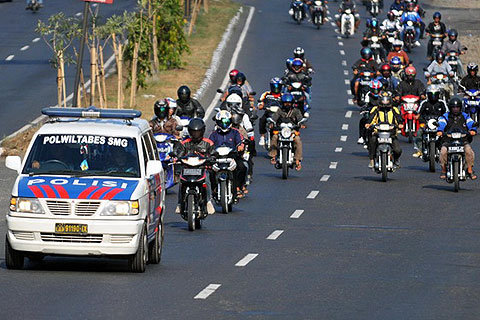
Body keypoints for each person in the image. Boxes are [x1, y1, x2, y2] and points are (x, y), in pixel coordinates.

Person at [175, 118, 215, 214]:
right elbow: (179, 153)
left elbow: (213, 153)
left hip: (202, 168)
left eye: (198, 132)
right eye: (193, 132)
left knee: (208, 179)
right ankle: (180, 203)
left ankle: (208, 201)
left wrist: (212, 158)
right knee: (182, 182)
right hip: (187, 169)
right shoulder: (184, 143)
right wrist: (177, 157)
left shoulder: (208, 143)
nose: (195, 134)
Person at [209, 110, 248, 198]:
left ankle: (238, 186)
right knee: (210, 171)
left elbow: (240, 141)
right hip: (217, 157)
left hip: (232, 156)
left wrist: (240, 146)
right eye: (222, 122)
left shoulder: (235, 132)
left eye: (226, 122)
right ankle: (214, 188)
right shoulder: (214, 134)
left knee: (242, 167)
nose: (224, 124)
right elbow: (209, 144)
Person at [437, 97, 477, 179]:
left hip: (462, 140)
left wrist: (473, 129)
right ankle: (444, 170)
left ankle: (469, 170)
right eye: (453, 107)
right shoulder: (445, 116)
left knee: (469, 151)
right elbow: (441, 122)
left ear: (460, 107)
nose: (455, 109)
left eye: (457, 107)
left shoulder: (465, 116)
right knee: (443, 152)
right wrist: (440, 130)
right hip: (448, 140)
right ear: (450, 108)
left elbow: (470, 122)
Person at [365, 94, 403, 168]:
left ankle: (396, 160)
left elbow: (398, 118)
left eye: (387, 101)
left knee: (398, 150)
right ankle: (372, 160)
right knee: (372, 141)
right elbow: (371, 118)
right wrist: (369, 124)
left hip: (391, 133)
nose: (385, 104)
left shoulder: (394, 109)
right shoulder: (376, 109)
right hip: (378, 133)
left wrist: (400, 124)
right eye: (383, 101)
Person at [268, 93, 304, 170]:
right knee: (274, 137)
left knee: (297, 140)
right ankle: (273, 156)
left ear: (292, 103)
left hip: (292, 130)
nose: (287, 104)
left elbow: (300, 120)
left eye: (289, 103)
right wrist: (271, 123)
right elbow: (274, 119)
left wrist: (301, 124)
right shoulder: (279, 110)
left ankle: (297, 160)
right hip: (281, 130)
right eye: (285, 103)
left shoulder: (296, 111)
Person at [412, 85, 447, 157]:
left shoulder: (442, 103)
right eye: (431, 94)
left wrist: (444, 121)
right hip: (427, 123)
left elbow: (447, 113)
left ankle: (446, 150)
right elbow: (419, 113)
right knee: (419, 133)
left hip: (439, 123)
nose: (433, 96)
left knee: (447, 134)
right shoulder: (424, 103)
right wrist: (419, 119)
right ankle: (420, 150)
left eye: (435, 94)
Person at [258, 77, 283, 146]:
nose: (276, 88)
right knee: (262, 120)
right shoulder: (266, 94)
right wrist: (261, 105)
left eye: (278, 86)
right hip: (269, 113)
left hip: (279, 114)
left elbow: (287, 103)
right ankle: (262, 136)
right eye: (274, 86)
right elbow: (260, 102)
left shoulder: (283, 95)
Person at [358, 79, 383, 145]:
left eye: (377, 89)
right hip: (371, 111)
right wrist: (364, 109)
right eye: (374, 90)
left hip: (381, 110)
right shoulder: (368, 95)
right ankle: (361, 137)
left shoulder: (383, 95)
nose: (376, 91)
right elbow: (366, 104)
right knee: (363, 120)